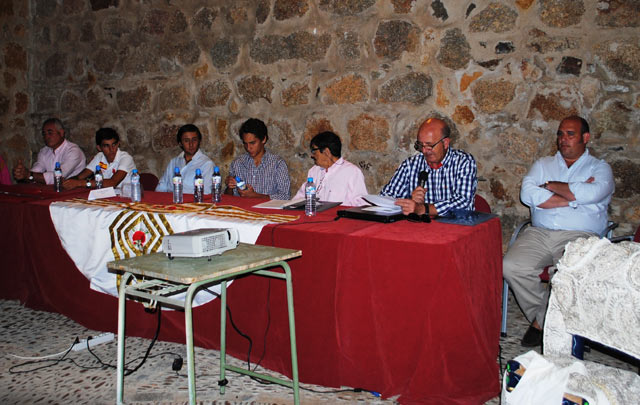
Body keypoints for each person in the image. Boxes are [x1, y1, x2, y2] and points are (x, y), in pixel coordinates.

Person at [503, 116, 615, 347]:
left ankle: (541, 325)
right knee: (511, 266)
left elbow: (594, 194)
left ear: (586, 138)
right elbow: (528, 195)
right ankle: (546, 320)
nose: (563, 140)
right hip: (540, 232)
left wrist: (549, 186)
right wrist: (574, 198)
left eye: (570, 134)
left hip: (579, 235)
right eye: (561, 134)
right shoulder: (543, 165)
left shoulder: (600, 168)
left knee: (564, 274)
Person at [381, 117, 477, 217]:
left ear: (445, 143)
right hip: (420, 229)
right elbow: (385, 198)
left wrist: (423, 209)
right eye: (421, 145)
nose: (424, 150)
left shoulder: (463, 162)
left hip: (455, 227)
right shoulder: (410, 165)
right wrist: (409, 202)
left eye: (429, 145)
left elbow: (464, 204)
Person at [292, 131, 368, 206]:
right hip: (314, 216)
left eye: (314, 151)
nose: (312, 155)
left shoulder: (352, 172)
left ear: (326, 152)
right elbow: (299, 199)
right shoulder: (314, 171)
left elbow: (361, 204)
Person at [225, 118, 290, 200]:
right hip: (242, 210)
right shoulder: (238, 163)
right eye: (245, 143)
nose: (248, 148)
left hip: (267, 211)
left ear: (263, 139)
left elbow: (285, 196)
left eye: (252, 143)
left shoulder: (277, 164)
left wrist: (256, 196)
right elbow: (228, 198)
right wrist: (229, 187)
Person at [12, 118, 86, 184]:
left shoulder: (74, 151)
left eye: (50, 133)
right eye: (44, 134)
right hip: (53, 191)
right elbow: (35, 172)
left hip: (73, 193)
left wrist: (28, 175)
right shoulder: (44, 151)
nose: (46, 137)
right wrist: (22, 174)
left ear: (61, 133)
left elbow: (58, 176)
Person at [62, 128, 136, 190]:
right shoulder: (99, 157)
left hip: (128, 197)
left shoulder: (126, 158)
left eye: (114, 144)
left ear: (118, 144)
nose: (111, 149)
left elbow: (112, 183)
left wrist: (80, 183)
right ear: (99, 148)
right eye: (106, 146)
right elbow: (81, 176)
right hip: (107, 196)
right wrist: (67, 182)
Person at [156, 124, 214, 195]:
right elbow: (161, 187)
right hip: (170, 203)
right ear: (180, 143)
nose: (191, 144)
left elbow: (206, 193)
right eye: (186, 141)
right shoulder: (174, 162)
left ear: (199, 141)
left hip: (193, 204)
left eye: (194, 140)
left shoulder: (207, 164)